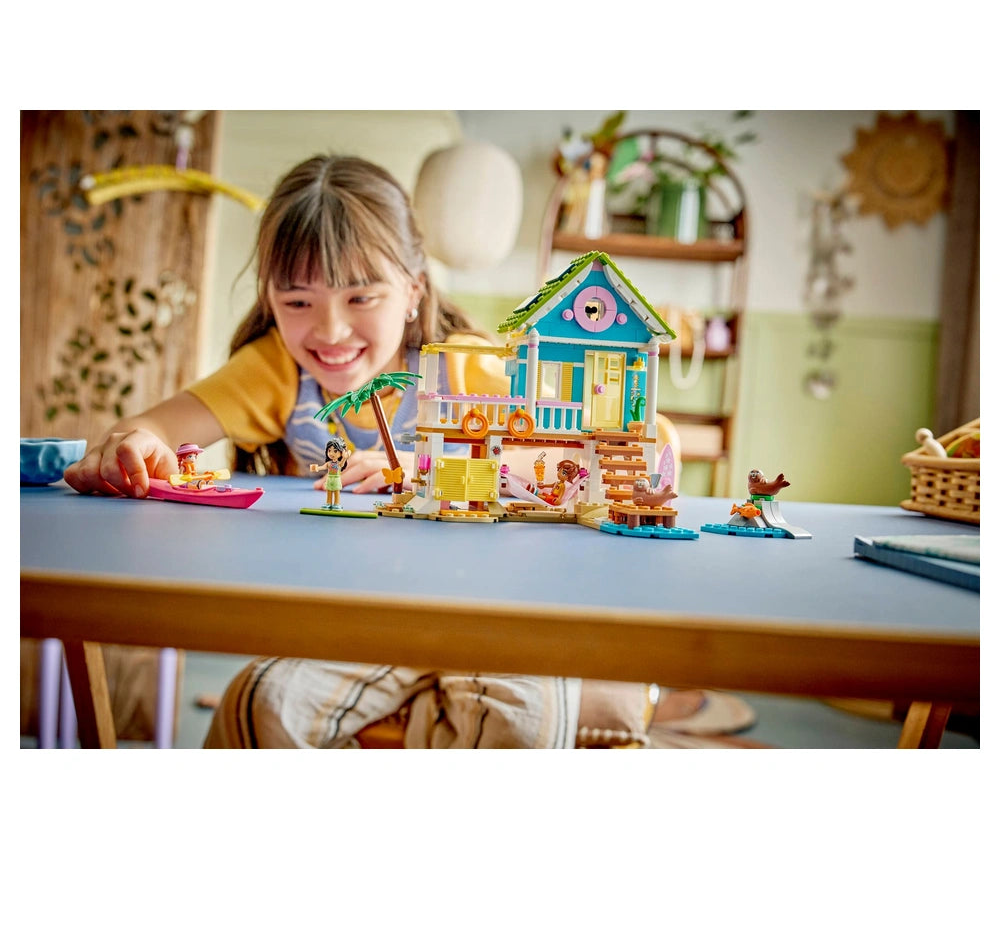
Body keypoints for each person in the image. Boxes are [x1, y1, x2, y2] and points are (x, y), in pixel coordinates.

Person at [65, 153, 661, 749]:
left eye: (361, 298)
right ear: (270, 299)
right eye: (298, 302)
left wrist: (429, 474)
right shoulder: (275, 371)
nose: (329, 331)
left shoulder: (467, 367)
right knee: (261, 706)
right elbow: (151, 429)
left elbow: (597, 448)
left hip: (494, 609)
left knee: (520, 725)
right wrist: (134, 445)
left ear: (413, 289)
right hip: (354, 623)